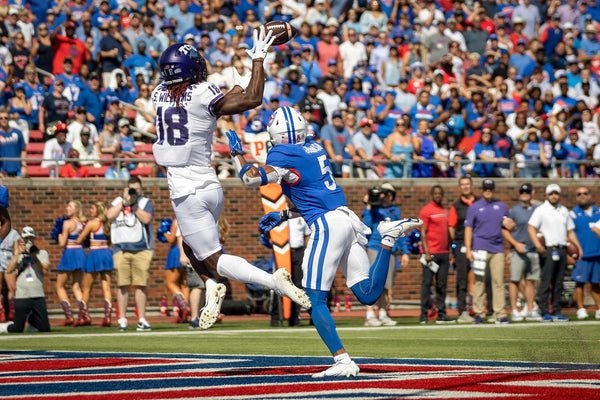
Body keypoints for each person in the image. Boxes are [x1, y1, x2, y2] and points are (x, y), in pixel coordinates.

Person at [226, 105, 422, 378]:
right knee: (367, 294)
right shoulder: (315, 147)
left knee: (313, 298)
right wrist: (284, 214)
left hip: (327, 225)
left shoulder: (282, 152)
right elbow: (311, 192)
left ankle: (342, 360)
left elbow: (249, 178)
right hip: (346, 217)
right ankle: (386, 238)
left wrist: (237, 154)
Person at [151, 35, 312, 331]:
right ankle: (212, 286)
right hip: (210, 185)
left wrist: (239, 85)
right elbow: (246, 100)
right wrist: (256, 63)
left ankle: (271, 281)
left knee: (214, 258)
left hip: (187, 191)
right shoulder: (202, 92)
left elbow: (207, 104)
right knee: (190, 245)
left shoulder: (158, 94)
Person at [528, 184, 583, 322]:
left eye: (556, 194)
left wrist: (578, 247)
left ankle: (557, 311)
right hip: (548, 248)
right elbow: (531, 227)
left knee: (559, 282)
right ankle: (545, 310)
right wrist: (537, 245)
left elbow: (570, 231)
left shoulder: (563, 210)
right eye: (551, 194)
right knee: (546, 281)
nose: (554, 196)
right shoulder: (541, 210)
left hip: (562, 248)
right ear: (547, 195)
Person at [465, 179, 516, 324]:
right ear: (482, 190)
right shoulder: (474, 207)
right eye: (486, 188)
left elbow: (508, 226)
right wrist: (468, 249)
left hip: (497, 248)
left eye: (490, 188)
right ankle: (479, 313)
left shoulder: (501, 206)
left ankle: (500, 314)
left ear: (493, 190)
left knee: (498, 282)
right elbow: (468, 229)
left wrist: (512, 226)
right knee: (479, 282)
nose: (488, 190)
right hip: (480, 248)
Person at [107, 177, 154, 332]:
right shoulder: (117, 201)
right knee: (123, 285)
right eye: (131, 188)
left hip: (141, 249)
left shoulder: (145, 202)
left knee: (141, 285)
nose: (135, 191)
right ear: (126, 189)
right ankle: (122, 319)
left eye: (137, 189)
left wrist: (133, 204)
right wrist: (123, 200)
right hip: (121, 248)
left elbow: (146, 219)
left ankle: (141, 319)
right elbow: (109, 216)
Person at [361, 183, 409, 327]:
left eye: (389, 193)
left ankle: (382, 313)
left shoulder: (395, 211)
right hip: (375, 247)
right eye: (383, 193)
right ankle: (370, 315)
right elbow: (366, 226)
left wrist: (405, 252)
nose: (385, 196)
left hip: (391, 250)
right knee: (372, 282)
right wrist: (369, 205)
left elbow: (401, 232)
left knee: (386, 285)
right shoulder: (374, 209)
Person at [502, 183, 542, 322]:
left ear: (532, 192)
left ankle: (530, 309)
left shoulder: (538, 209)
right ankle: (514, 309)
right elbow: (504, 230)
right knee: (515, 280)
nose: (524, 193)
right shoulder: (513, 210)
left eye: (527, 191)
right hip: (518, 250)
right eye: (522, 191)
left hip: (532, 249)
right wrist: (514, 244)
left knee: (531, 281)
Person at [0, 227, 51, 334]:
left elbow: (44, 271)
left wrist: (34, 256)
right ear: (22, 240)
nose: (29, 241)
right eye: (26, 239)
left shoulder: (42, 253)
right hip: (22, 294)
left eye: (31, 238)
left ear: (34, 239)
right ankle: (6, 327)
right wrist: (18, 254)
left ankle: (32, 321)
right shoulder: (18, 255)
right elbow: (9, 269)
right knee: (17, 329)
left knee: (45, 328)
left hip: (37, 294)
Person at [419, 185, 455, 324]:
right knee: (427, 284)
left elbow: (447, 234)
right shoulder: (426, 210)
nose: (438, 195)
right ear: (432, 194)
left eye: (440, 193)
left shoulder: (445, 211)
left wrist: (450, 252)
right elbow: (423, 232)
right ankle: (423, 314)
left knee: (442, 285)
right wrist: (427, 252)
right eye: (435, 193)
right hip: (431, 254)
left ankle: (442, 313)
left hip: (444, 253)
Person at [76, 201, 114, 327]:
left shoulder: (92, 223)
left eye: (92, 208)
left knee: (87, 288)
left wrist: (81, 231)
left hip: (95, 254)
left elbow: (79, 240)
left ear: (98, 210)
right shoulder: (107, 223)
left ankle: (82, 317)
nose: (90, 211)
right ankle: (108, 317)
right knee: (106, 287)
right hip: (107, 253)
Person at [569, 187, 600, 320]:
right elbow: (569, 233)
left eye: (584, 193)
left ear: (589, 195)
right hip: (582, 254)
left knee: (596, 282)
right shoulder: (573, 214)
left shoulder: (598, 211)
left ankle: (599, 308)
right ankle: (581, 308)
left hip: (597, 253)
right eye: (579, 194)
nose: (582, 196)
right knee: (579, 282)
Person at [56, 200, 87, 326]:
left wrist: (58, 235)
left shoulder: (67, 223)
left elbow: (62, 243)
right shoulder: (82, 223)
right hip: (80, 253)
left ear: (76, 209)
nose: (67, 208)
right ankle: (84, 315)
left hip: (70, 253)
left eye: (70, 206)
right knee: (77, 286)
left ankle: (69, 316)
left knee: (59, 286)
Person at [162, 218, 191, 323]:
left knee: (170, 283)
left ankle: (184, 307)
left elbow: (171, 239)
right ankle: (184, 313)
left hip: (177, 251)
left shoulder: (177, 220)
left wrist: (164, 232)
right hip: (188, 251)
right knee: (184, 284)